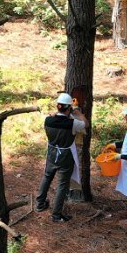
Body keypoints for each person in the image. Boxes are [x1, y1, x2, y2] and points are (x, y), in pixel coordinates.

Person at [35, 93, 88, 222]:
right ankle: (56, 214)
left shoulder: (48, 120)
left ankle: (40, 203)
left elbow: (57, 116)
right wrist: (77, 111)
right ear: (69, 108)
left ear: (57, 107)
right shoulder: (73, 123)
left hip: (52, 152)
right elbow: (86, 124)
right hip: (65, 155)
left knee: (47, 177)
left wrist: (66, 109)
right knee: (62, 184)